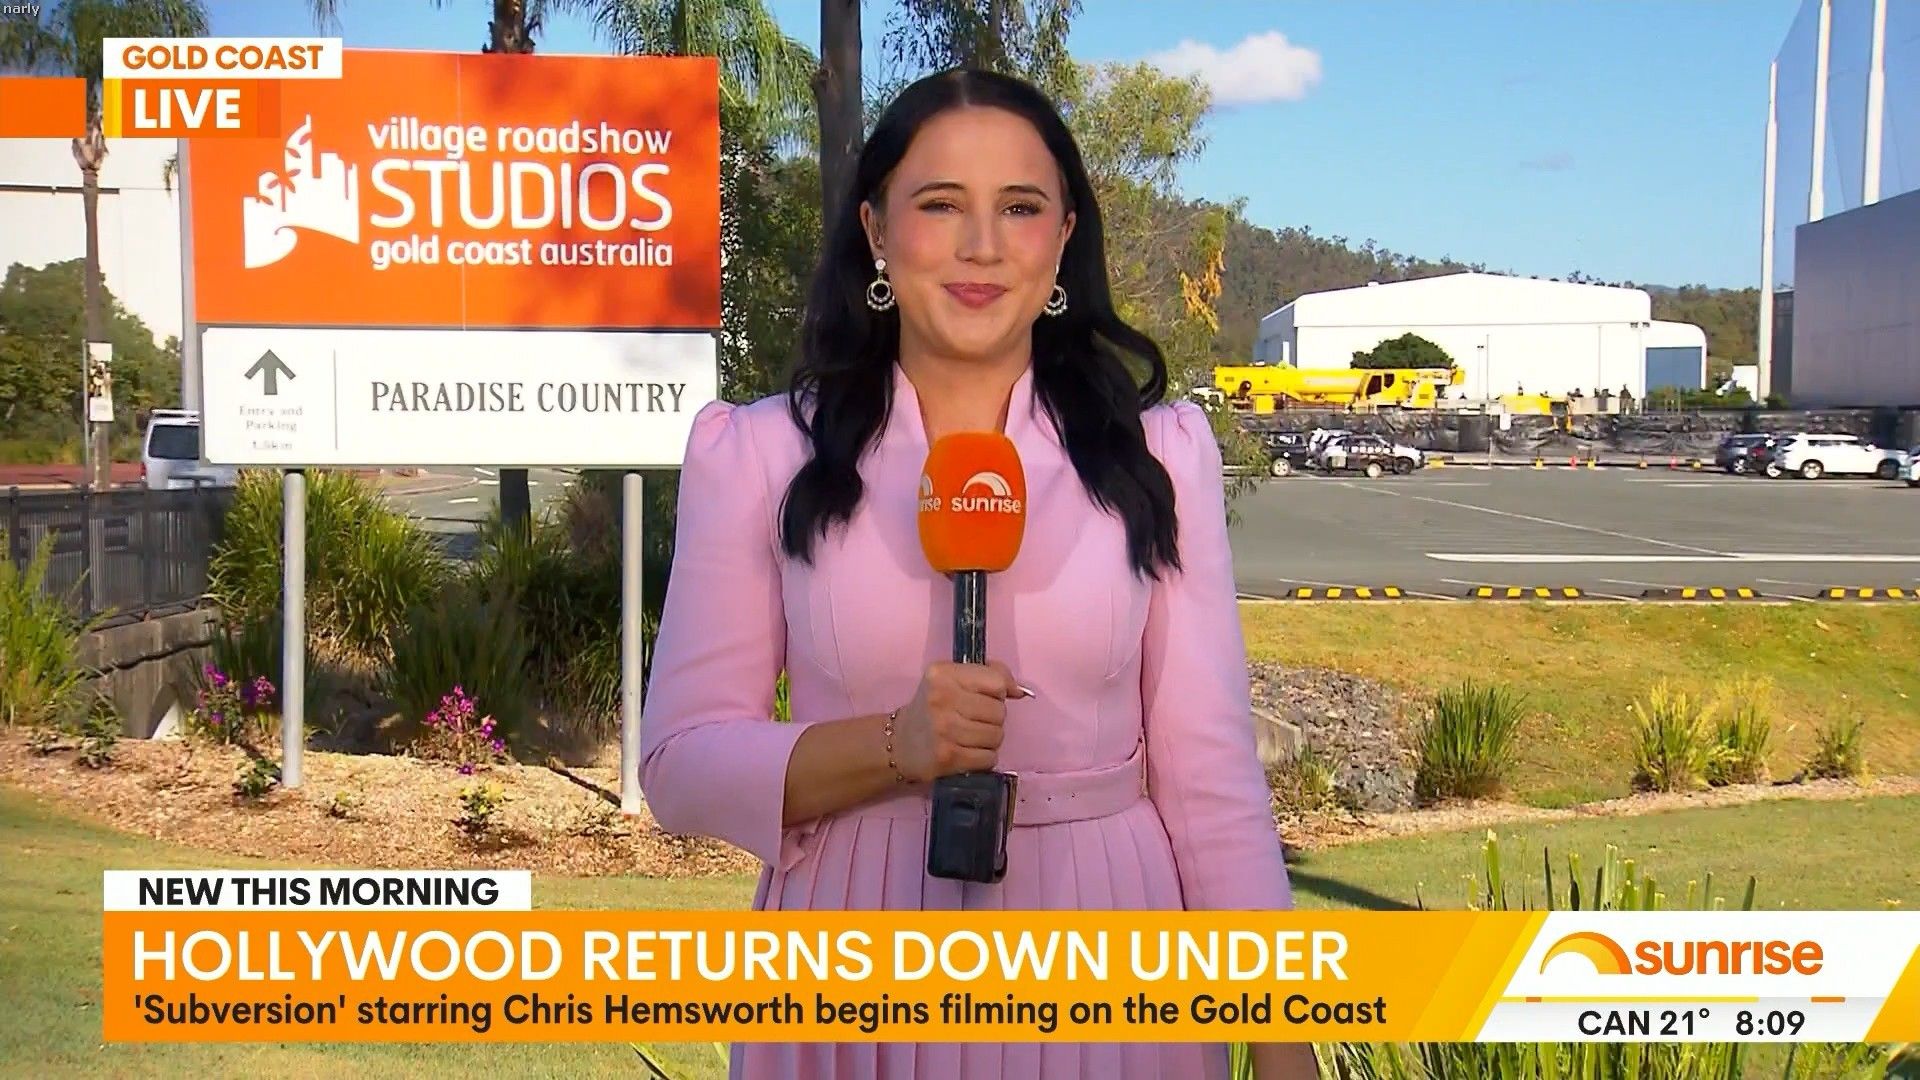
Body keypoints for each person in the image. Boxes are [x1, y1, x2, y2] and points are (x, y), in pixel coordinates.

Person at [640, 68, 1309, 1080]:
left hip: (1110, 943)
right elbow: (680, 762)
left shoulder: (1159, 455)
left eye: (1021, 208)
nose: (983, 245)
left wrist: (1284, 1035)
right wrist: (892, 747)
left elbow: (1212, 778)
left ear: (1063, 239)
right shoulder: (761, 453)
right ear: (875, 229)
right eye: (942, 204)